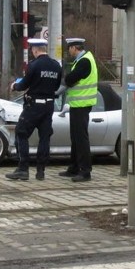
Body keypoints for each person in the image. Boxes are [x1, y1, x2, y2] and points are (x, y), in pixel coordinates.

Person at [5, 38, 63, 181]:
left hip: (33, 106)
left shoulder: (34, 65)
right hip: (49, 106)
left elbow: (24, 84)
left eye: (32, 49)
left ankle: (23, 169)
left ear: (35, 50)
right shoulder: (56, 65)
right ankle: (40, 171)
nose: (32, 52)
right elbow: (56, 86)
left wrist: (14, 86)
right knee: (44, 137)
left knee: (21, 132)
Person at [59, 37, 98, 182]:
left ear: (75, 48)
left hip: (82, 105)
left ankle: (85, 171)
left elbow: (71, 79)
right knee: (75, 138)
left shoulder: (84, 61)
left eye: (69, 48)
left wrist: (65, 79)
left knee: (81, 139)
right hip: (77, 105)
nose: (69, 51)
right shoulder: (82, 60)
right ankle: (74, 167)